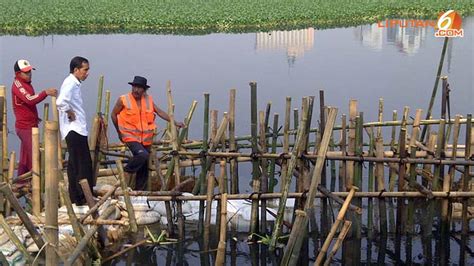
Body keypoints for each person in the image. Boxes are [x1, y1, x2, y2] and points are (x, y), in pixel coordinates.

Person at [111, 76, 184, 191]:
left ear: (144, 90)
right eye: (134, 87)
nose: (136, 90)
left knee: (144, 165)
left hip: (145, 138)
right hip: (130, 136)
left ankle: (140, 192)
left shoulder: (148, 100)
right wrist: (119, 132)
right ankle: (126, 170)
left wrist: (174, 122)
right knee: (142, 155)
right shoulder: (123, 99)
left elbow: (159, 112)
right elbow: (113, 114)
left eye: (139, 88)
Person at [11, 59, 57, 184]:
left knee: (25, 158)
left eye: (30, 71)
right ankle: (37, 184)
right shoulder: (18, 85)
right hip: (24, 127)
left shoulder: (27, 84)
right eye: (26, 72)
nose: (29, 74)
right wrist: (45, 93)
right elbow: (30, 99)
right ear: (18, 74)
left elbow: (26, 105)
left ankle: (21, 183)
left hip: (31, 125)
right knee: (34, 156)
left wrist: (35, 117)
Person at [56, 56, 94, 205]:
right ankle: (83, 198)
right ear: (76, 70)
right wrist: (69, 111)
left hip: (75, 129)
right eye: (85, 70)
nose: (87, 73)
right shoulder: (70, 83)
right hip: (74, 129)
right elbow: (60, 102)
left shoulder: (74, 83)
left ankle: (76, 198)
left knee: (73, 165)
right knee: (83, 164)